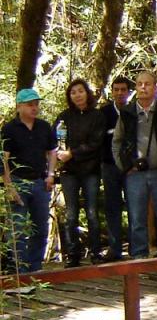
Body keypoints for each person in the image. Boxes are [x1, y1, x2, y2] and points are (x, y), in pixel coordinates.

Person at [112, 71, 157, 258]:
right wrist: (124, 166)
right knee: (136, 217)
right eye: (139, 84)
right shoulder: (127, 113)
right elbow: (117, 142)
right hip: (135, 174)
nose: (143, 87)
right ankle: (139, 255)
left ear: (155, 87)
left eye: (147, 84)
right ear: (135, 88)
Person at [2, 89, 57, 273]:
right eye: (30, 105)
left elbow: (52, 151)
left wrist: (50, 174)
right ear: (19, 106)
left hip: (40, 181)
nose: (34, 108)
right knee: (16, 228)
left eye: (36, 104)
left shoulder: (44, 126)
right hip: (18, 181)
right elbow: (4, 159)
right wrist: (9, 186)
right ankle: (19, 269)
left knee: (40, 226)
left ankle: (35, 266)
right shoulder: (9, 129)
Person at [54, 79, 106, 266]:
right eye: (73, 92)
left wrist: (73, 153)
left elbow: (96, 143)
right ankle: (73, 254)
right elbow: (56, 142)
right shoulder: (63, 117)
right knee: (71, 214)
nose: (77, 95)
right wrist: (61, 156)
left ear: (87, 93)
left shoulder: (97, 116)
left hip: (90, 170)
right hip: (69, 172)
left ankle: (96, 252)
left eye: (80, 91)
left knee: (92, 212)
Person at [100, 76, 132, 260]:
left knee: (134, 206)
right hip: (109, 166)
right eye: (116, 89)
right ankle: (115, 248)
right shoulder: (104, 113)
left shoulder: (133, 112)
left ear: (128, 92)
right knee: (112, 207)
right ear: (112, 91)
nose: (120, 93)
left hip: (130, 168)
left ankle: (136, 247)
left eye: (123, 89)